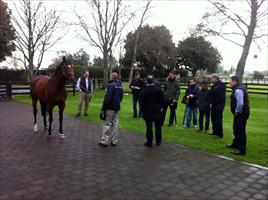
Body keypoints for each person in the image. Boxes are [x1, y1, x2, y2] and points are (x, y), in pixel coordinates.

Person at [98, 72, 123, 147]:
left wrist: (103, 108)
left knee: (107, 124)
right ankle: (114, 141)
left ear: (112, 77)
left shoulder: (110, 85)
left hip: (110, 108)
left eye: (110, 76)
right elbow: (121, 97)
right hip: (117, 107)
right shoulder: (119, 86)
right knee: (115, 124)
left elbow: (107, 98)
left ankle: (104, 141)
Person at [227, 76, 250, 155]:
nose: (229, 82)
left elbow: (240, 103)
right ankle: (236, 144)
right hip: (241, 113)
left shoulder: (238, 89)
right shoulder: (239, 88)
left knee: (240, 131)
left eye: (230, 81)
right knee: (236, 129)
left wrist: (237, 111)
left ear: (234, 81)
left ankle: (241, 150)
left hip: (241, 113)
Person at [140, 75, 164, 147]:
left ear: (146, 81)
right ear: (153, 81)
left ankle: (149, 142)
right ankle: (158, 141)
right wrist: (160, 107)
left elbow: (142, 102)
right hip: (157, 109)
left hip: (148, 110)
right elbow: (162, 100)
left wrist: (143, 110)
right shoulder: (159, 89)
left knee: (149, 127)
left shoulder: (144, 90)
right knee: (158, 126)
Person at [209, 74, 226, 138]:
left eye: (212, 79)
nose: (211, 80)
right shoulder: (213, 85)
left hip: (220, 104)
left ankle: (220, 133)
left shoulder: (222, 85)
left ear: (216, 78)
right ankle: (215, 131)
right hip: (214, 104)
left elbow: (214, 91)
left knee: (218, 118)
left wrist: (211, 91)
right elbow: (210, 93)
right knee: (213, 118)